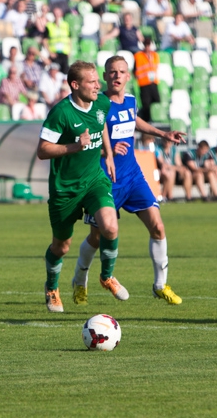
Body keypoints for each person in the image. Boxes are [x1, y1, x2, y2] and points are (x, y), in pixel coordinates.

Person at [68, 56, 184, 307]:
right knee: (97, 237)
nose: (117, 76)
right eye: (112, 72)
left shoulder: (130, 100)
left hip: (132, 176)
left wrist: (163, 133)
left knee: (158, 227)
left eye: (121, 72)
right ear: (105, 77)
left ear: (128, 76)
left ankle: (160, 285)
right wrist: (105, 152)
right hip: (104, 180)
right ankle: (80, 279)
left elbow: (134, 120)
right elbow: (86, 142)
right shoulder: (97, 105)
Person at [36, 61, 122, 313]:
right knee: (61, 247)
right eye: (92, 81)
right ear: (75, 85)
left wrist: (107, 152)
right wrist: (76, 145)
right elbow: (42, 151)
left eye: (98, 80)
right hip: (65, 189)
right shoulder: (61, 112)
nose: (98, 85)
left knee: (110, 226)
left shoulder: (102, 103)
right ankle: (52, 287)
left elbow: (102, 123)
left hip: (94, 180)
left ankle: (106, 276)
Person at [133, 37, 160, 122]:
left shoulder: (155, 55)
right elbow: (135, 70)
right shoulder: (138, 56)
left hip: (153, 82)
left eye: (148, 44)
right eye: (146, 45)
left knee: (156, 100)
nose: (147, 47)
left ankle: (155, 118)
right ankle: (146, 121)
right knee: (146, 104)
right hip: (143, 83)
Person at [43, 7, 71, 73]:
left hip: (64, 53)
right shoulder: (49, 26)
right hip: (54, 53)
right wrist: (50, 52)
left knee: (65, 73)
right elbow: (44, 40)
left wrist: (69, 50)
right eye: (55, 13)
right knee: (54, 72)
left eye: (58, 13)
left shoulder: (66, 25)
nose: (57, 15)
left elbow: (69, 38)